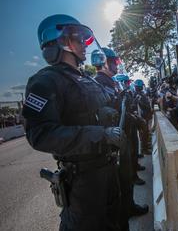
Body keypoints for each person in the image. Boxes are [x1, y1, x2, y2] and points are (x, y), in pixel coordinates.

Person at [22, 14, 124, 230]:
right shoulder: (45, 81)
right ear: (62, 42)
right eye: (79, 39)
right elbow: (40, 134)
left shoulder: (85, 78)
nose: (84, 46)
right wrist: (99, 134)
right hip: (82, 181)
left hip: (107, 170)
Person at [91, 49, 148, 231]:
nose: (117, 65)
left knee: (126, 179)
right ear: (105, 62)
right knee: (118, 189)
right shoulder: (97, 83)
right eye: (114, 61)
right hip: (112, 143)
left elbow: (123, 108)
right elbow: (105, 113)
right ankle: (123, 217)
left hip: (124, 138)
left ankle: (129, 206)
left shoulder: (112, 83)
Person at [133, 79, 152, 155]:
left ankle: (145, 146)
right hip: (142, 116)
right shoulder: (138, 95)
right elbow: (141, 106)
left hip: (144, 116)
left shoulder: (140, 94)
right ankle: (144, 149)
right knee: (144, 133)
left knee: (145, 132)